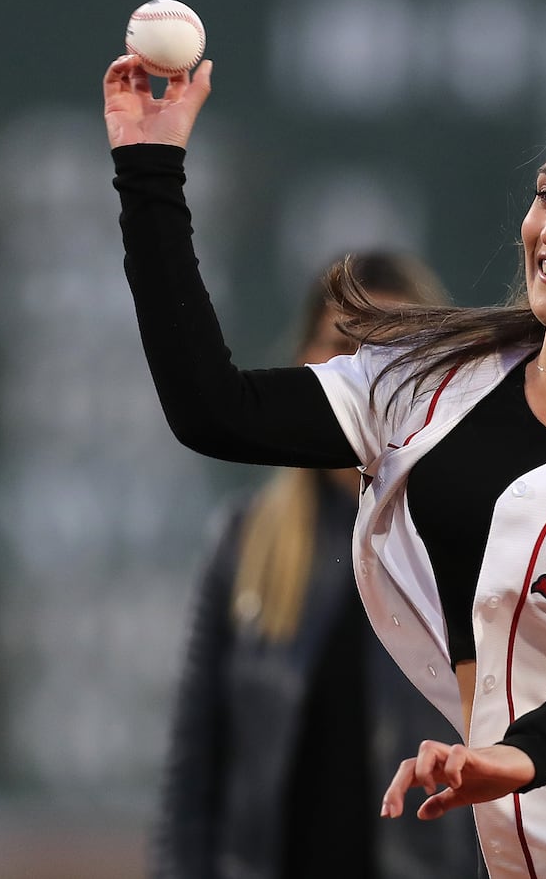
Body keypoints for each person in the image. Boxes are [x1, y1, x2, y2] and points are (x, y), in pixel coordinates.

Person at [105, 52, 546, 878]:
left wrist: (525, 752)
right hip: (524, 852)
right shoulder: (433, 384)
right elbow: (210, 407)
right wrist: (151, 170)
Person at [150, 252, 484, 878]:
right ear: (303, 363)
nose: (371, 379)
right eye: (345, 349)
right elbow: (193, 773)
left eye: (401, 354)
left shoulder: (482, 543)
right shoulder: (245, 542)